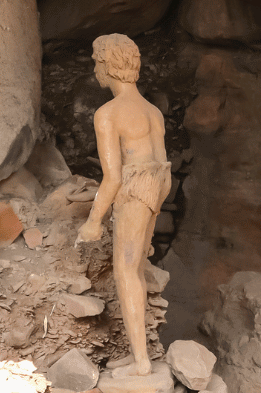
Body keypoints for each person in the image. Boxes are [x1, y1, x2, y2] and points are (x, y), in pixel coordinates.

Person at [77, 34, 170, 379]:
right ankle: (137, 354)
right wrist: (153, 211)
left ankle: (142, 362)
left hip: (133, 191)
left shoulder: (109, 113)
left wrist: (93, 220)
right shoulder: (153, 111)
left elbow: (113, 177)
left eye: (95, 61)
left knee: (125, 273)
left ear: (107, 64)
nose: (94, 69)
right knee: (137, 271)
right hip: (155, 189)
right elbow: (164, 169)